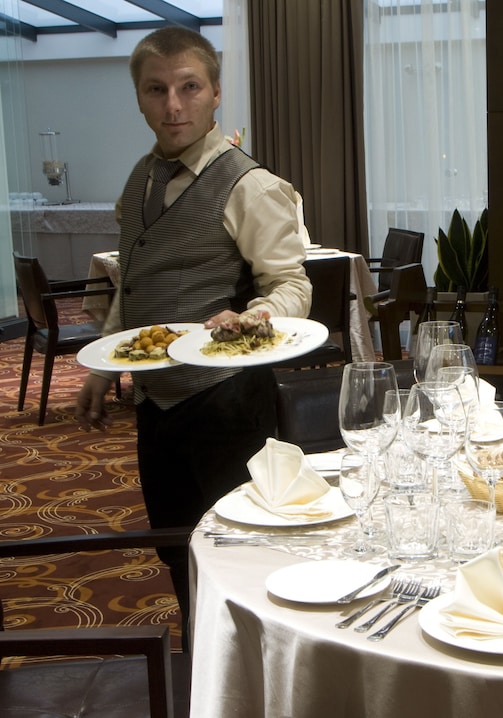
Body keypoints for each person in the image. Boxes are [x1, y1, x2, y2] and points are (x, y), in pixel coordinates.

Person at [75, 27, 312, 643]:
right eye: (157, 90)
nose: (173, 105)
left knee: (242, 553)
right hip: (157, 403)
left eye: (189, 88)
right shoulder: (140, 179)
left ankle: (260, 675)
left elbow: (291, 283)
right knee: (176, 546)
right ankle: (204, 669)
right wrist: (105, 366)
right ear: (139, 98)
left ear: (216, 94)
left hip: (226, 401)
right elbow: (133, 283)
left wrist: (255, 316)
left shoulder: (248, 184)